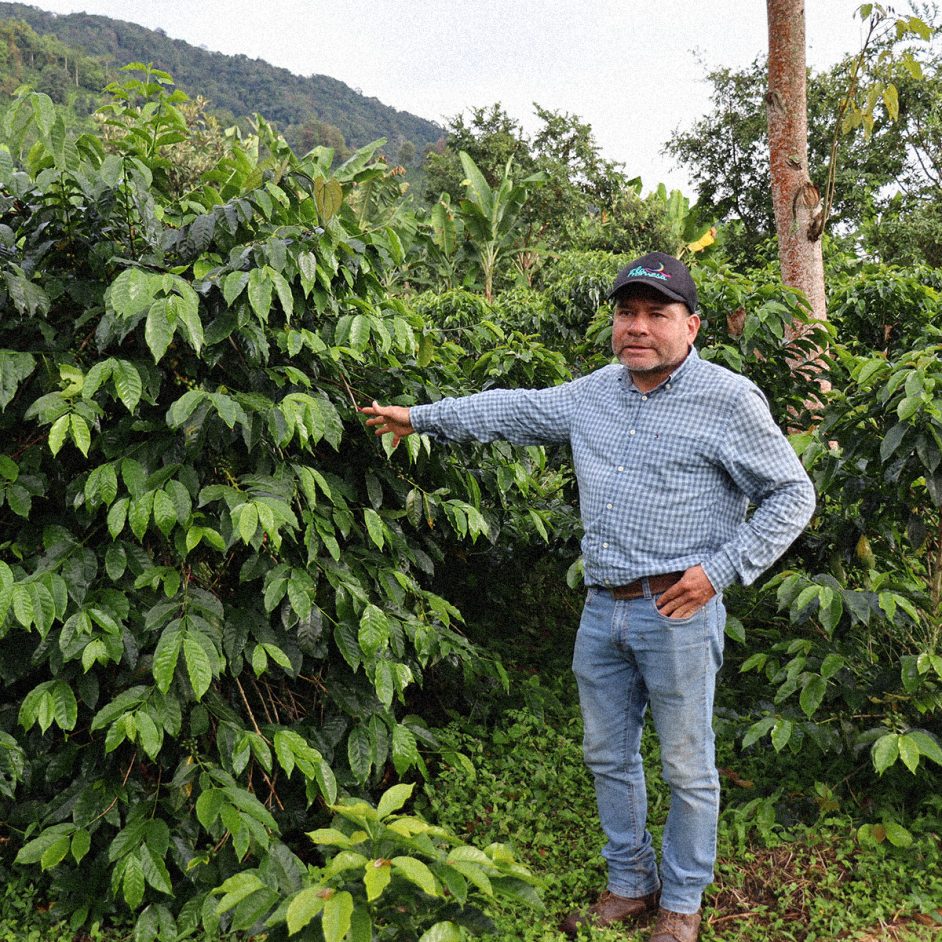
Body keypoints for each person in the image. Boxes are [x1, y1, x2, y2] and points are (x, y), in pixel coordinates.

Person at [361, 251, 815, 942]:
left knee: (687, 766)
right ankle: (631, 882)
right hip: (604, 607)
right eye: (626, 314)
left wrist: (721, 571)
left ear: (690, 326)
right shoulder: (594, 393)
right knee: (608, 755)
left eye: (655, 314)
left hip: (679, 610)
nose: (637, 327)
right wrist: (420, 418)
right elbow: (513, 408)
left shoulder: (729, 399)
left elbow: (792, 494)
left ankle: (682, 903)